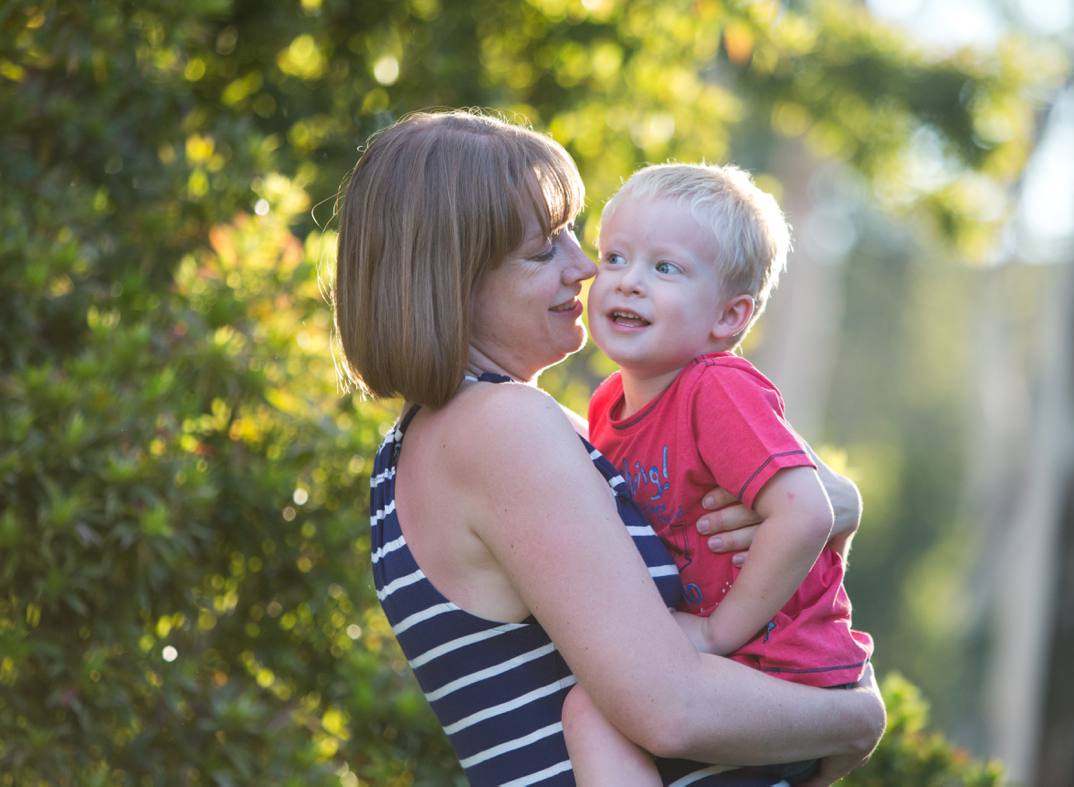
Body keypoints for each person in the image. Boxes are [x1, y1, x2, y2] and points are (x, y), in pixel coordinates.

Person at [333, 109, 884, 786]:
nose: (585, 265)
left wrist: (835, 498)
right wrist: (857, 719)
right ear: (453, 279)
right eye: (545, 250)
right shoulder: (501, 428)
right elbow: (670, 708)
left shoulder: (471, 434)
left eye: (573, 234)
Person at [564, 163, 875, 786]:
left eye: (665, 268)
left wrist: (714, 632)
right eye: (616, 257)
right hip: (730, 673)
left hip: (780, 670)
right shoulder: (605, 406)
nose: (627, 283)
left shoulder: (717, 389)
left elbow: (808, 511)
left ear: (730, 318)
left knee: (594, 708)